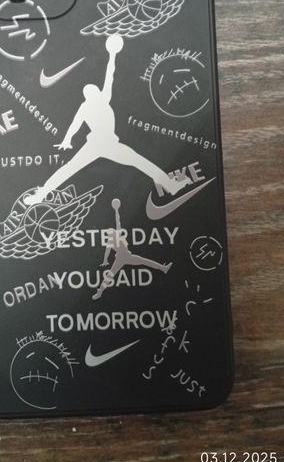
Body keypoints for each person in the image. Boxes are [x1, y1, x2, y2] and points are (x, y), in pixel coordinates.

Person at [24, 35, 188, 206]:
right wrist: (67, 140)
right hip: (97, 144)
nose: (93, 91)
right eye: (90, 91)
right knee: (72, 168)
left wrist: (113, 55)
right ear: (88, 95)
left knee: (137, 161)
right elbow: (75, 124)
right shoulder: (92, 104)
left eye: (94, 90)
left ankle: (171, 185)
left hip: (107, 144)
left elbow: (110, 75)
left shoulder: (99, 100)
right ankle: (40, 195)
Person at [93, 198, 172, 300]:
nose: (112, 233)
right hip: (123, 258)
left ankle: (99, 292)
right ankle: (99, 292)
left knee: (111, 275)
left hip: (124, 258)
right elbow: (107, 251)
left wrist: (105, 261)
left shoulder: (113, 239)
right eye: (111, 232)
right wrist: (116, 210)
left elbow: (117, 221)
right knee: (142, 262)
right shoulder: (114, 239)